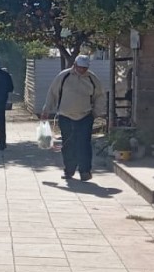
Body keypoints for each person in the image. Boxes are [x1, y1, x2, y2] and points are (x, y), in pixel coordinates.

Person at [42, 53, 106, 181]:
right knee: (68, 144)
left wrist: (96, 112)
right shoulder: (64, 76)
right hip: (66, 116)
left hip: (85, 116)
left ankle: (85, 171)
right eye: (80, 67)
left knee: (84, 144)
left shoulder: (92, 79)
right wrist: (46, 110)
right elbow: (53, 93)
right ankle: (69, 170)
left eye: (85, 68)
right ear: (75, 65)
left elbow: (100, 96)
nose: (82, 70)